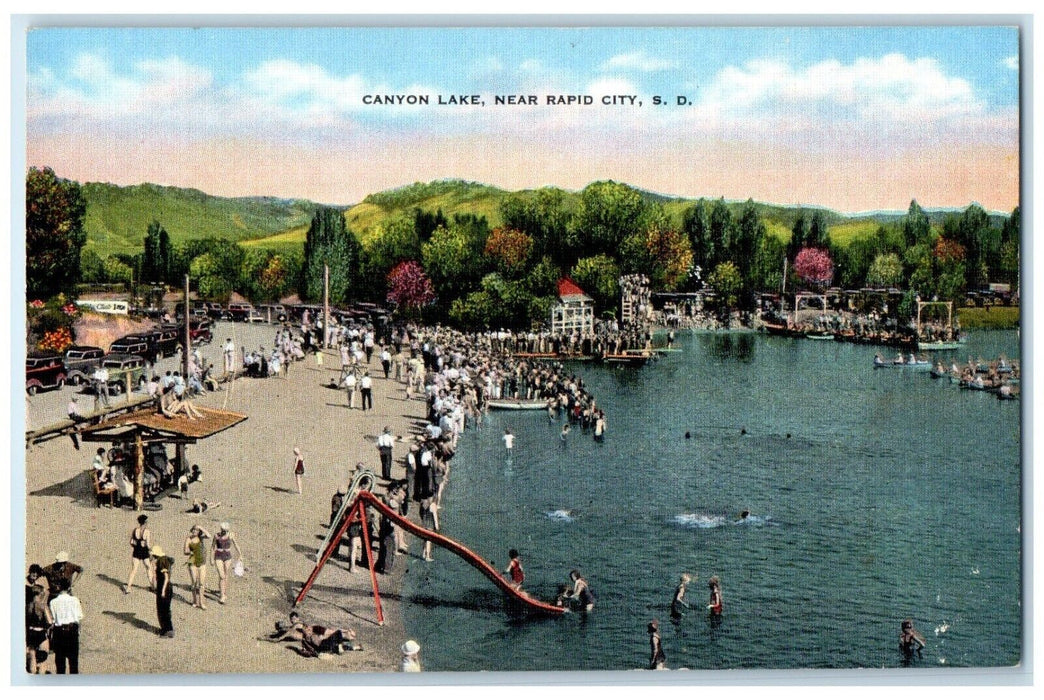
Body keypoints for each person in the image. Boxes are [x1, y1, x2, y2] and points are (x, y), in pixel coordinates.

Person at [48, 580, 83, 674]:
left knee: (60, 664)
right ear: (69, 588)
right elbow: (79, 617)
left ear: (59, 588)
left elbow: (53, 620)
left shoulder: (53, 602)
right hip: (72, 631)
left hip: (59, 632)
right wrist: (79, 630)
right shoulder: (75, 600)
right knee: (73, 663)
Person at [25, 565, 53, 674]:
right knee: (43, 658)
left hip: (30, 631)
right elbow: (50, 622)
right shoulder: (42, 606)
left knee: (32, 657)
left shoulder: (27, 607)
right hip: (41, 632)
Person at [211, 522, 244, 605]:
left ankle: (223, 591)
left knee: (225, 574)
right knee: (222, 576)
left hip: (227, 556)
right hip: (218, 555)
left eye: (225, 531)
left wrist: (240, 554)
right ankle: (222, 596)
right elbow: (212, 547)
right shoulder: (216, 536)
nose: (224, 532)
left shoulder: (231, 535)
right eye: (223, 530)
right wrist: (211, 558)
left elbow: (236, 544)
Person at [124, 514, 154, 594]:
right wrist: (151, 551)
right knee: (148, 568)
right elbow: (147, 544)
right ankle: (152, 587)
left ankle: (128, 587)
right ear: (144, 522)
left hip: (136, 551)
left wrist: (136, 545)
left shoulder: (135, 530)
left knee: (134, 569)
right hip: (144, 552)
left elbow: (131, 542)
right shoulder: (147, 531)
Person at [184, 524, 211, 609]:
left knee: (201, 584)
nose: (195, 531)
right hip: (193, 562)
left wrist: (201, 527)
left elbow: (209, 536)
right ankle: (195, 600)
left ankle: (201, 602)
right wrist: (190, 552)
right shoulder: (188, 539)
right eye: (194, 530)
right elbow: (185, 551)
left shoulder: (201, 538)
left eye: (197, 530)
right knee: (194, 583)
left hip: (202, 563)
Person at [152, 546, 175, 637]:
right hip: (165, 587)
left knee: (163, 610)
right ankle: (165, 629)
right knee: (163, 609)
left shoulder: (161, 562)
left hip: (164, 587)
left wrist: (162, 591)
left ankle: (168, 630)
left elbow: (166, 578)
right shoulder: (164, 560)